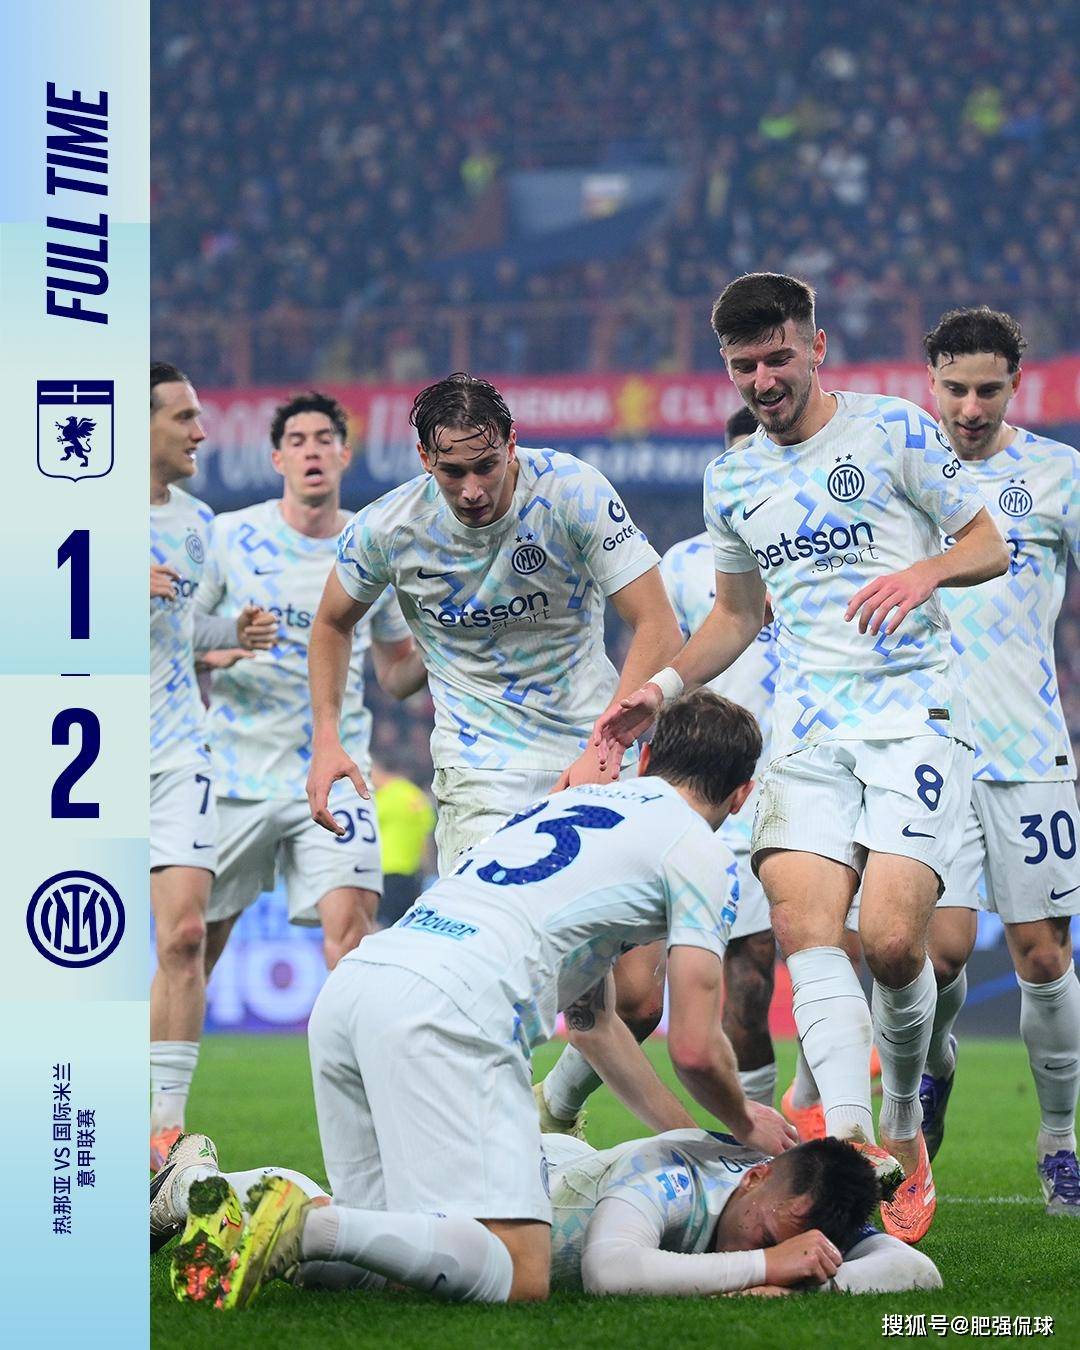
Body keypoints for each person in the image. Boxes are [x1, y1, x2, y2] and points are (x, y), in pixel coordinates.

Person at [592, 272, 1010, 1243]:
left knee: (895, 945)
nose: (764, 380)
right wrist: (661, 688)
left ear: (816, 346)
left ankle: (901, 1120)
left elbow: (988, 542)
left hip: (914, 719)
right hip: (809, 732)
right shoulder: (733, 479)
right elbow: (736, 615)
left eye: (779, 357)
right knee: (805, 931)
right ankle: (853, 1146)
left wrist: (926, 570)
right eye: (744, 366)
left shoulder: (893, 430)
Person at [183, 692, 799, 1307]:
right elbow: (694, 1048)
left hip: (358, 984)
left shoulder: (569, 803)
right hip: (454, 1006)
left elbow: (593, 1025)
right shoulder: (700, 853)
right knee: (519, 1272)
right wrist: (744, 1123)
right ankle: (303, 1224)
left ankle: (194, 1190)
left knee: (379, 1256)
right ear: (741, 795)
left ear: (645, 762)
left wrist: (698, 1145)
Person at [307, 371, 683, 1091]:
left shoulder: (570, 492)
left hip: (592, 749)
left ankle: (556, 1106)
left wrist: (605, 745)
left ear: (513, 443)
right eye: (453, 472)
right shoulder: (389, 527)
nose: (473, 489)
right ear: (425, 458)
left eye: (486, 465)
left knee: (635, 1001)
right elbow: (332, 622)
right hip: (480, 770)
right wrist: (328, 738)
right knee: (490, 981)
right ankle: (496, 1141)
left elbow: (657, 625)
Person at [917, 307, 1080, 1216]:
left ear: (1017, 383)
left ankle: (1058, 1143)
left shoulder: (1059, 474)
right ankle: (931, 1073)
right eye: (955, 388)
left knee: (1043, 955)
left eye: (988, 389)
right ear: (931, 382)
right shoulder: (903, 468)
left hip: (1029, 749)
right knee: (936, 958)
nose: (971, 407)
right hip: (931, 750)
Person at [154, 1127, 940, 1304]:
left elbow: (919, 1271)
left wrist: (817, 1277)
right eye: (766, 1230)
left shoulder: (802, 1211)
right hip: (490, 1185)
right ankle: (192, 1182)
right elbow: (609, 1272)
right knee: (329, 1250)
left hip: (535, 1191)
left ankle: (208, 1194)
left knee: (328, 1272)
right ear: (757, 1174)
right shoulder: (673, 1176)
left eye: (787, 1243)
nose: (767, 1243)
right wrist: (763, 1267)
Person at [194, 391, 421, 974]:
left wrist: (447, 637)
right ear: (278, 460)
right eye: (297, 442)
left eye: (324, 439)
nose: (311, 451)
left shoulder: (371, 546)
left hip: (335, 770)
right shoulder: (230, 537)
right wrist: (221, 646)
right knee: (189, 946)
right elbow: (175, 638)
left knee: (352, 941)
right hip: (235, 772)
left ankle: (353, 1041)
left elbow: (396, 676)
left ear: (345, 455)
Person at [149, 362, 277, 1172]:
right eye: (184, 417)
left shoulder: (199, 522)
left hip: (175, 748)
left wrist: (232, 631)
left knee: (188, 933)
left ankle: (163, 1132)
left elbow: (179, 628)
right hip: (71, 754)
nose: (201, 431)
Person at [659, 405, 782, 1110]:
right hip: (725, 785)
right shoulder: (681, 565)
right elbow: (669, 668)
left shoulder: (820, 549)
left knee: (848, 949)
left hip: (813, 769)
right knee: (748, 974)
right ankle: (754, 1126)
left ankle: (823, 1100)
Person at [369, 755, 437, 927]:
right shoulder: (417, 796)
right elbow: (426, 838)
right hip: (411, 874)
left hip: (384, 870)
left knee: (378, 924)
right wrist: (426, 871)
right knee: (402, 924)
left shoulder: (384, 797)